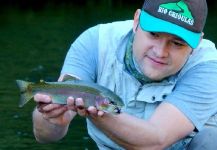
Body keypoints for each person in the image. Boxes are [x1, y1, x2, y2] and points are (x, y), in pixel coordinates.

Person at [32, 0, 217, 149]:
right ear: (137, 21)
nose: (160, 52)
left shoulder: (208, 67)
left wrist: (97, 112)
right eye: (153, 34)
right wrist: (53, 120)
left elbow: (155, 141)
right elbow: (44, 136)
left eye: (177, 43)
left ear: (197, 43)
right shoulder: (94, 43)